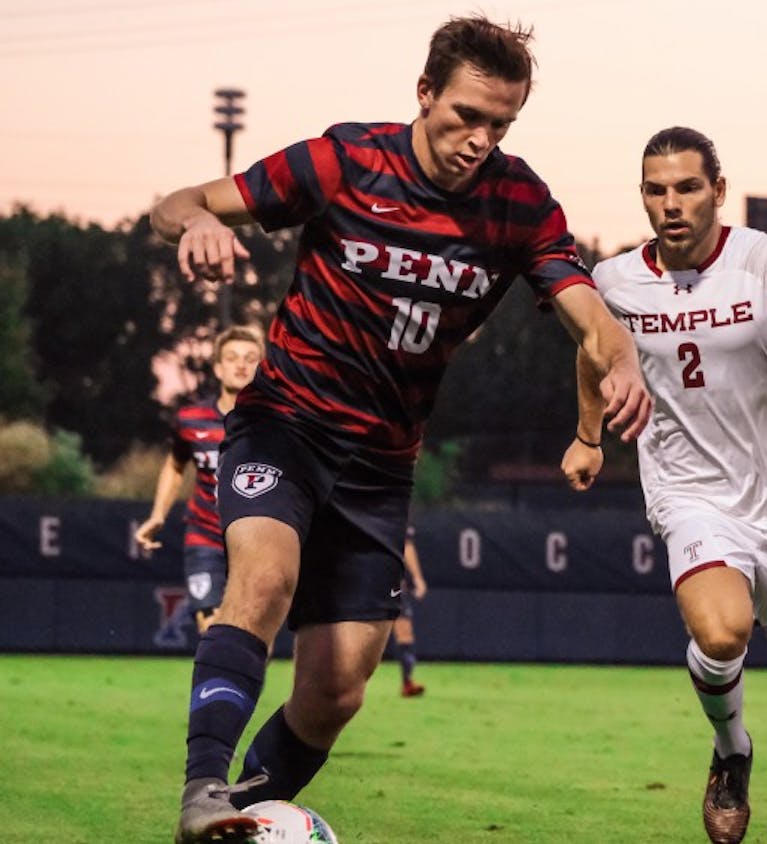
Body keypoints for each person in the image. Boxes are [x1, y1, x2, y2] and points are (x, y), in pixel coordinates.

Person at [149, 16, 651, 843]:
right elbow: (179, 203)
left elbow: (590, 314)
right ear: (425, 94)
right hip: (285, 425)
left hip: (381, 465)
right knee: (265, 581)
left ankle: (238, 817)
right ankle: (203, 790)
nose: (480, 139)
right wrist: (200, 220)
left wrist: (620, 361)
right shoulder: (345, 160)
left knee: (338, 690)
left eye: (502, 124)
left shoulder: (519, 202)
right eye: (466, 116)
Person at [562, 127, 767, 844]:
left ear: (717, 192)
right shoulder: (614, 281)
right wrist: (588, 434)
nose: (672, 204)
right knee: (720, 631)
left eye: (688, 188)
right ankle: (731, 754)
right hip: (690, 490)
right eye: (656, 190)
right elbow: (595, 351)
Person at [136, 326, 265, 635]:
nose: (241, 365)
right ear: (218, 368)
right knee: (212, 626)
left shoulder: (277, 422)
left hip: (258, 539)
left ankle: (243, 684)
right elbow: (175, 465)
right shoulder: (191, 419)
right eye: (232, 358)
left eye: (250, 359)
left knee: (254, 629)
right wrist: (158, 514)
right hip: (205, 535)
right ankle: (220, 681)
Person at [392, 526, 429, 697]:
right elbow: (407, 546)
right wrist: (418, 579)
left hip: (392, 584)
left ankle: (407, 683)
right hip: (384, 581)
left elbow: (407, 545)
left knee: (404, 634)